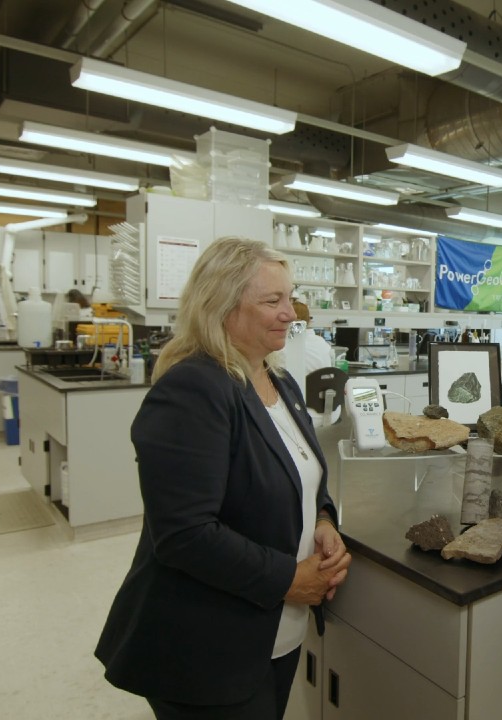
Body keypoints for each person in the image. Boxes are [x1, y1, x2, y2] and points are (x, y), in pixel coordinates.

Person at [95, 237, 352, 720]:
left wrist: (323, 519)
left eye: (289, 297)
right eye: (272, 301)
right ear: (220, 307)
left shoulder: (281, 382)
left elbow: (304, 476)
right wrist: (288, 580)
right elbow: (184, 534)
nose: (291, 313)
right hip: (205, 646)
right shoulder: (194, 387)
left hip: (273, 634)